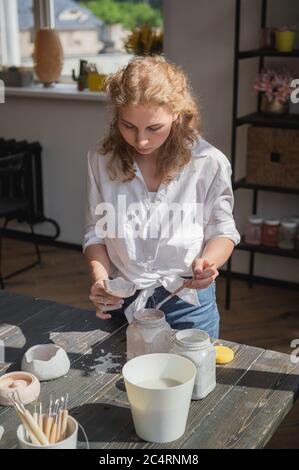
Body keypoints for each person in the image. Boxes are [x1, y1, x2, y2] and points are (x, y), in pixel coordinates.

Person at [83, 56, 240, 339]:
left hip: (188, 300)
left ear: (176, 114)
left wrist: (208, 263)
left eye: (154, 128)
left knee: (192, 381)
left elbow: (223, 230)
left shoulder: (208, 162)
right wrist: (101, 280)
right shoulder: (101, 161)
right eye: (128, 125)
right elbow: (96, 233)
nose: (140, 141)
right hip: (123, 299)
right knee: (119, 380)